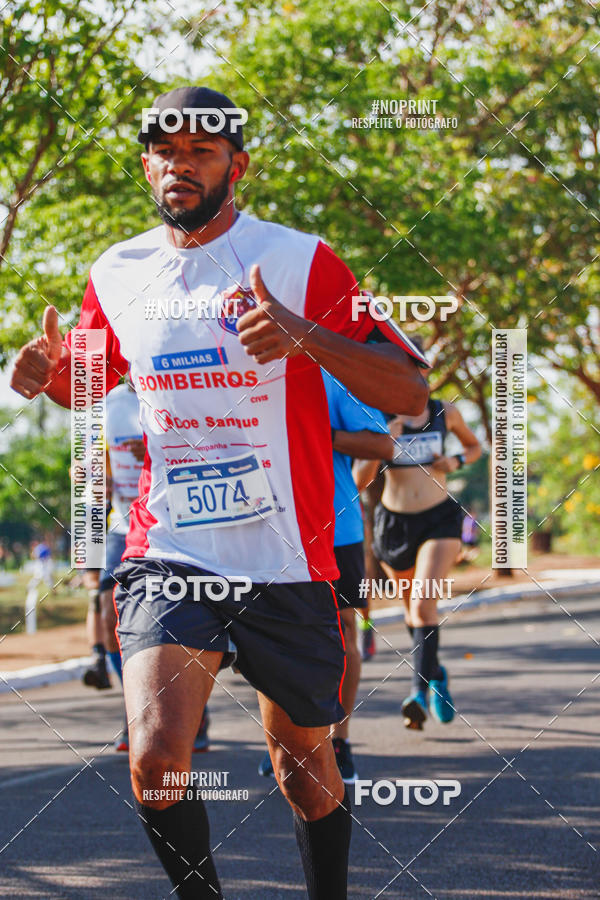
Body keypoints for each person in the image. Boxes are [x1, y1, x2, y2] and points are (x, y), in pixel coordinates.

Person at [11, 84, 428, 899]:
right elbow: (91, 385)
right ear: (145, 164)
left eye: (201, 151)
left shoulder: (300, 259)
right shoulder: (119, 270)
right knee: (155, 758)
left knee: (303, 771)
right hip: (169, 549)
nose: (181, 165)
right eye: (165, 152)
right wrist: (48, 377)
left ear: (238, 164)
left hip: (286, 558)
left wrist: (304, 335)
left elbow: (409, 389)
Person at [259, 370, 393, 783]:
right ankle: (287, 740)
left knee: (344, 630)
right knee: (272, 639)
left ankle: (339, 740)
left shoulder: (329, 374)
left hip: (336, 527)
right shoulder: (242, 373)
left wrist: (319, 433)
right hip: (267, 528)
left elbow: (380, 443)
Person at [356, 382, 481, 730]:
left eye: (417, 371)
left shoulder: (445, 411)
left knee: (425, 605)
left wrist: (455, 459)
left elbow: (474, 447)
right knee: (412, 613)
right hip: (393, 525)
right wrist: (382, 442)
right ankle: (436, 674)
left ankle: (417, 694)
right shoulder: (379, 418)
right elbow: (359, 480)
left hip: (439, 518)